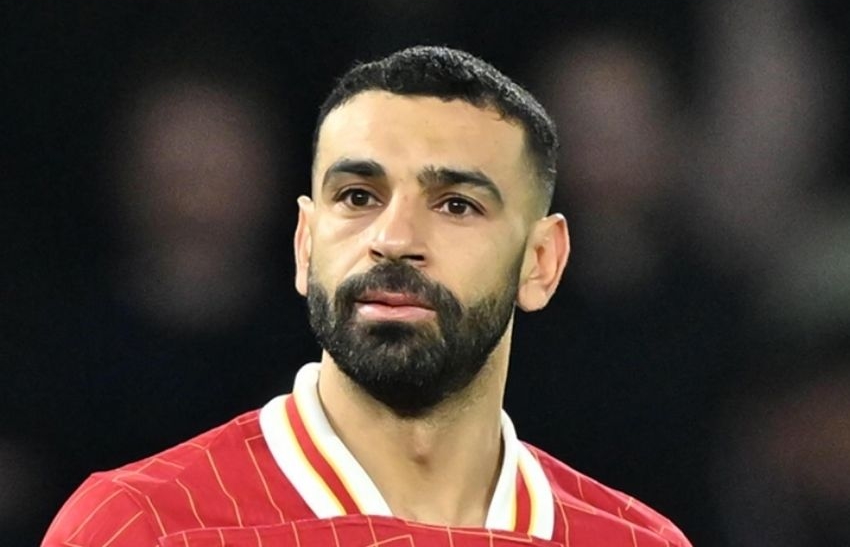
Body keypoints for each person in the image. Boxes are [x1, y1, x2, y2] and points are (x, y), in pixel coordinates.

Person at [42, 46, 691, 547]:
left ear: (541, 262)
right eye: (358, 196)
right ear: (304, 244)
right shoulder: (138, 527)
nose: (394, 239)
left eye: (456, 205)